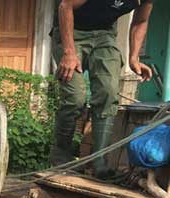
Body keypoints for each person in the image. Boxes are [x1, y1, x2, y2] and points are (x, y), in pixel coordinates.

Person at [49, 0, 154, 179]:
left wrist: (134, 57)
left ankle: (100, 163)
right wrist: (69, 52)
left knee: (108, 93)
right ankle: (60, 159)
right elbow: (65, 6)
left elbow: (140, 21)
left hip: (105, 36)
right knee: (75, 97)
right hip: (72, 32)